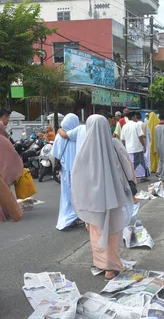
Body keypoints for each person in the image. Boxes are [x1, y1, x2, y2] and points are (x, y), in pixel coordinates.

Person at [71, 115, 134, 280]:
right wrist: (132, 186)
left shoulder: (84, 149)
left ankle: (100, 263)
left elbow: (76, 177)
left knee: (97, 230)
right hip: (114, 196)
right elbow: (128, 166)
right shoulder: (114, 144)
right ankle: (111, 268)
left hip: (92, 200)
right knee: (112, 230)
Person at [52, 113, 80, 230]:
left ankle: (68, 218)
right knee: (78, 194)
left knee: (66, 195)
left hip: (65, 170)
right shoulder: (77, 135)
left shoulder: (59, 136)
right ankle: (74, 217)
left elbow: (56, 154)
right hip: (77, 170)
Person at [0, 122, 23, 222]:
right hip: (3, 173)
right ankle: (10, 212)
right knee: (5, 193)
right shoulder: (4, 140)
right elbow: (12, 157)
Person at [121, 111, 149, 180]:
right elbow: (140, 137)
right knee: (140, 162)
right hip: (137, 148)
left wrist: (124, 148)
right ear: (133, 117)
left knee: (131, 163)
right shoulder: (136, 125)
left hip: (129, 149)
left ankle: (132, 176)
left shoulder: (124, 126)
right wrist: (144, 146)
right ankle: (141, 176)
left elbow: (123, 139)